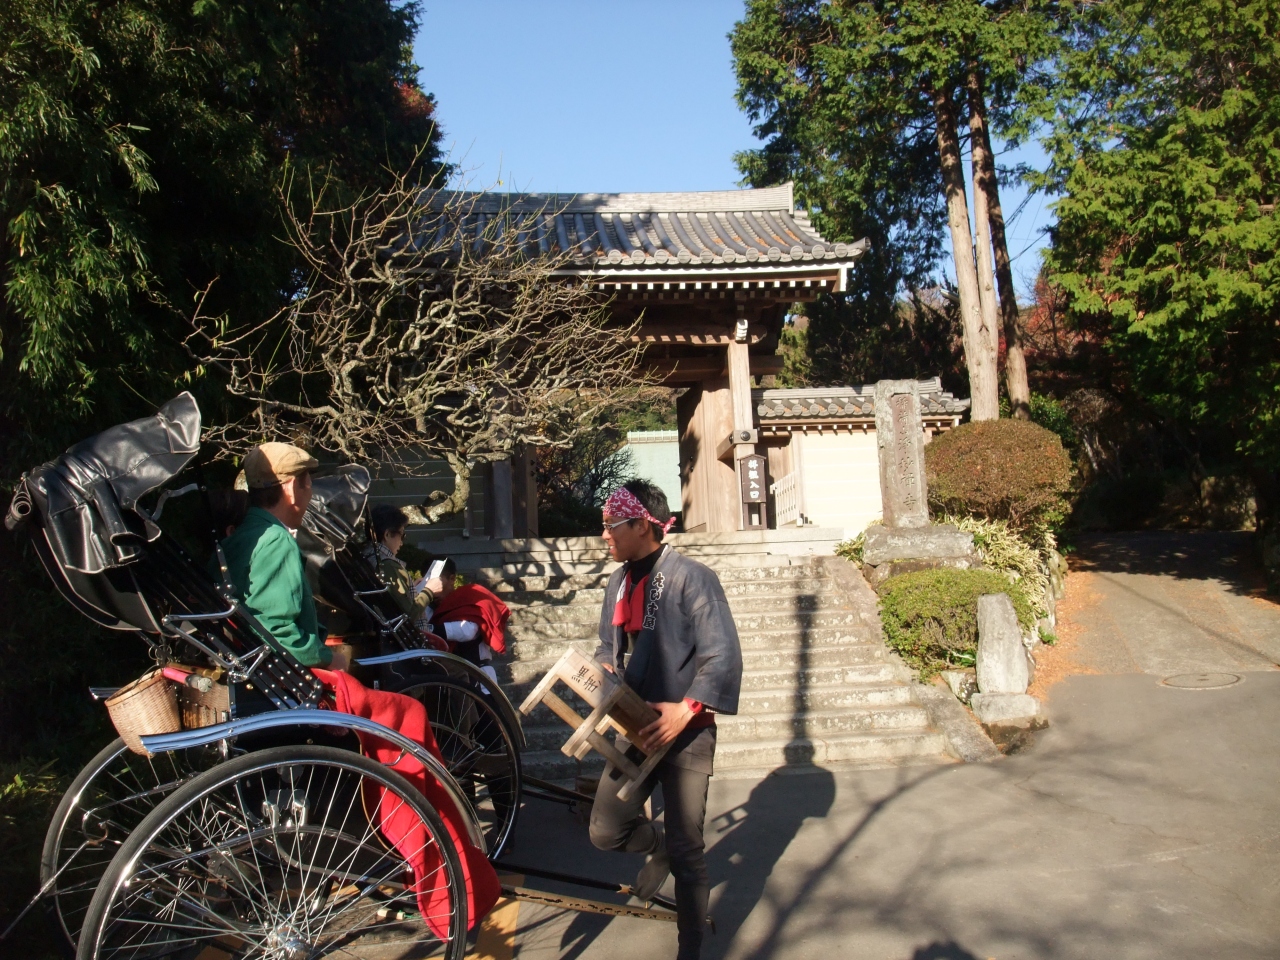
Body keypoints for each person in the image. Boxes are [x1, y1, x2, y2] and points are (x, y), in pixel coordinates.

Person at [588, 479, 742, 960]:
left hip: (686, 732)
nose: (605, 536)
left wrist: (687, 708)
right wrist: (604, 670)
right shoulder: (618, 581)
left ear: (641, 525)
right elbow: (606, 645)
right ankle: (660, 845)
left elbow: (722, 654)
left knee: (689, 853)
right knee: (605, 831)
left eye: (612, 525)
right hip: (635, 725)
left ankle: (689, 950)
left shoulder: (693, 577)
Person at [219, 442, 346, 671]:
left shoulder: (243, 534)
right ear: (292, 489)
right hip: (279, 675)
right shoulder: (276, 540)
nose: (310, 494)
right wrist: (328, 658)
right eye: (308, 484)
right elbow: (276, 630)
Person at [364, 504, 446, 621]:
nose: (402, 543)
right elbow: (409, 614)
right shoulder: (387, 565)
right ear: (387, 535)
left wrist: (410, 587)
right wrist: (429, 591)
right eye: (402, 535)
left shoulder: (368, 556)